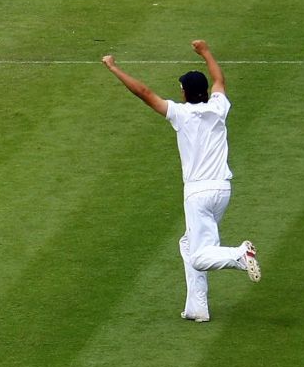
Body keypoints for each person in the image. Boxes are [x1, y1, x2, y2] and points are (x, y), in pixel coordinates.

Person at [102, 41, 262, 321]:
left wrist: (114, 68)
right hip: (223, 190)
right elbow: (219, 80)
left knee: (200, 256)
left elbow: (143, 92)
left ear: (186, 94)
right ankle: (197, 308)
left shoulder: (181, 113)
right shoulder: (218, 107)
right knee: (189, 244)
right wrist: (206, 52)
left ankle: (239, 254)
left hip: (198, 194)